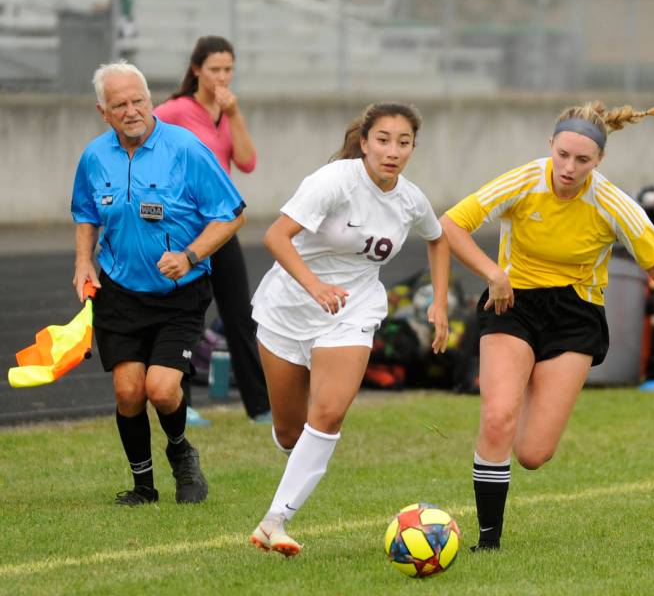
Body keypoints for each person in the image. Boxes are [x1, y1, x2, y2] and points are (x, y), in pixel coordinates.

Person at [440, 101, 654, 551]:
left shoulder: (612, 203)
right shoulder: (525, 179)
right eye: (563, 155)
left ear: (600, 161)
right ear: (550, 146)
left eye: (583, 160)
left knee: (533, 454)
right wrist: (493, 273)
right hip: (511, 303)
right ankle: (488, 542)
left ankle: (514, 405)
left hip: (575, 316)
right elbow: (452, 224)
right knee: (497, 419)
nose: (569, 168)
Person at [248, 103, 450, 557]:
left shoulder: (411, 200)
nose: (392, 151)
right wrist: (315, 285)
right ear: (363, 142)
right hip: (287, 309)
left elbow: (437, 239)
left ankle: (275, 520)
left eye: (403, 142)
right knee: (288, 432)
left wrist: (438, 302)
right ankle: (294, 467)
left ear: (413, 148)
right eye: (383, 140)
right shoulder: (335, 181)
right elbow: (276, 236)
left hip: (352, 310)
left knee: (331, 412)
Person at [71, 61, 246, 506]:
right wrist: (83, 261)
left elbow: (231, 213)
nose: (132, 111)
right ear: (103, 111)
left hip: (179, 294)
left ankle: (181, 452)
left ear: (150, 100)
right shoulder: (94, 156)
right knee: (129, 392)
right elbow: (87, 212)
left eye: (138, 101)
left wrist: (190, 255)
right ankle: (143, 487)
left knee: (162, 389)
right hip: (120, 290)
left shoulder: (185, 148)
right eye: (119, 105)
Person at [154, 35, 269, 425]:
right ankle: (180, 405)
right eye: (215, 69)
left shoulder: (227, 110)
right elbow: (142, 139)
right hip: (184, 229)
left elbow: (248, 163)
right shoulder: (175, 111)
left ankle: (260, 407)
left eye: (228, 69)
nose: (222, 76)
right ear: (197, 69)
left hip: (220, 227)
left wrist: (234, 114)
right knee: (185, 314)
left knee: (239, 315)